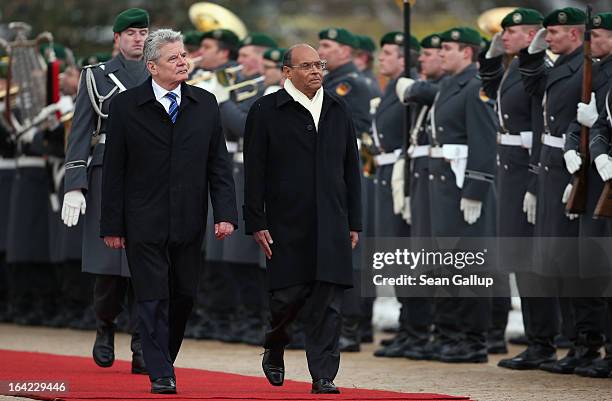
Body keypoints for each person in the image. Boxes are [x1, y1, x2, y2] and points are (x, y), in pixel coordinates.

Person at [100, 29, 238, 394]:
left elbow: (218, 165)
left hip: (190, 218)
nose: (183, 61)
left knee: (183, 295)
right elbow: (114, 171)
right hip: (142, 219)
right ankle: (160, 371)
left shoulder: (205, 103)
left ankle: (163, 356)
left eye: (183, 55)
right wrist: (112, 224)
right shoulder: (127, 106)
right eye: (173, 57)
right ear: (152, 66)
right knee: (152, 294)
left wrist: (225, 214)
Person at [244, 44, 362, 394]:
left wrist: (354, 221)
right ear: (287, 72)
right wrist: (256, 220)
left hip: (331, 221)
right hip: (285, 222)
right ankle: (275, 344)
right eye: (307, 65)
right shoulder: (266, 110)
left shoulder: (339, 108)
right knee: (287, 297)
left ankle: (323, 375)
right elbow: (254, 172)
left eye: (319, 64)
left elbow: (350, 169)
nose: (315, 71)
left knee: (329, 301)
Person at [62, 8, 150, 373]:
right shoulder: (97, 77)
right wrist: (75, 184)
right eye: (130, 33)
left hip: (149, 174)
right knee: (108, 265)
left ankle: (144, 344)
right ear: (116, 39)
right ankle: (105, 327)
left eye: (143, 32)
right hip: (106, 170)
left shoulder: (159, 72)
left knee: (148, 264)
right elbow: (81, 131)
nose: (138, 38)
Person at [517, 7, 589, 374]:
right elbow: (533, 86)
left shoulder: (584, 68)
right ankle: (572, 344)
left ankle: (582, 344)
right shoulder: (561, 65)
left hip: (569, 168)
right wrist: (532, 50)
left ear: (575, 34)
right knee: (555, 262)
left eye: (555, 33)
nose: (550, 38)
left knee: (570, 264)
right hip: (549, 167)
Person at [428, 27, 497, 363]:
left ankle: (474, 340)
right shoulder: (448, 84)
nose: (441, 53)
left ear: (467, 53)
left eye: (447, 47)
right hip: (444, 185)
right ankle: (452, 334)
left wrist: (476, 188)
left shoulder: (476, 85)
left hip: (462, 185)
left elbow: (484, 142)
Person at [318, 27, 375, 352]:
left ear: (346, 51)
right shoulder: (328, 82)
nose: (320, 51)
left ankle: (351, 328)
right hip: (328, 170)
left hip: (343, 170)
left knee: (348, 253)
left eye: (326, 46)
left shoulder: (350, 83)